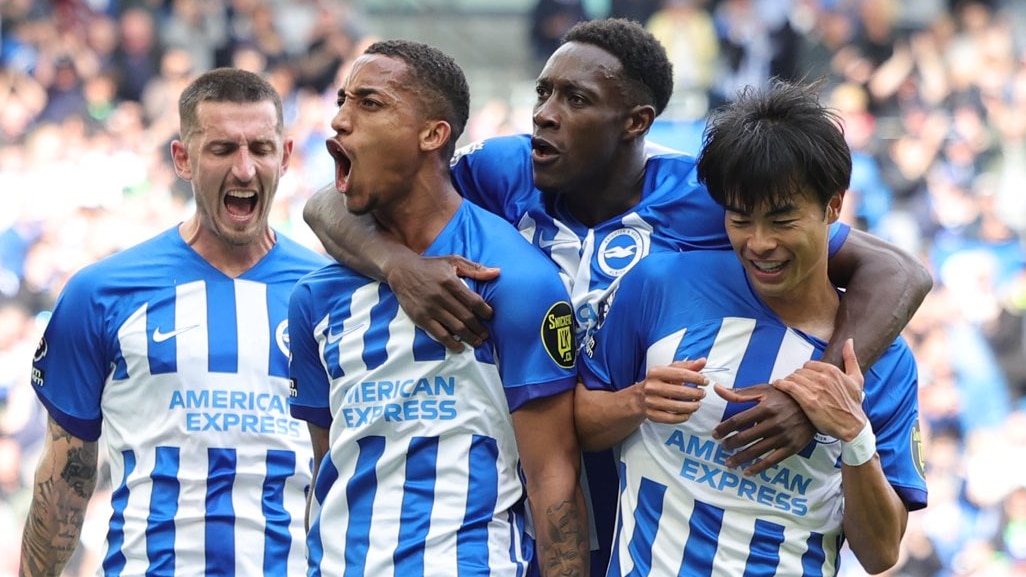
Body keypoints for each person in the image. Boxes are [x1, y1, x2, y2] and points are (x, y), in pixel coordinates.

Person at [302, 18, 932, 576]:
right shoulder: (503, 172)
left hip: (638, 496)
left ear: (636, 122)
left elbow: (896, 272)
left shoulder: (716, 202)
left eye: (575, 99)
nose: (544, 113)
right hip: (528, 499)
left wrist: (811, 391)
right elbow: (340, 198)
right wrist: (398, 266)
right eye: (543, 92)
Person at [575, 80, 928, 575]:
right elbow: (576, 423)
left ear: (832, 207)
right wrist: (635, 402)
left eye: (782, 221)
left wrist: (854, 434)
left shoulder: (883, 360)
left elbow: (880, 553)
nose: (759, 243)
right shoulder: (658, 286)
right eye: (740, 219)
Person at [287, 39, 588, 576]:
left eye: (369, 103)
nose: (339, 121)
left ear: (433, 134)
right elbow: (328, 462)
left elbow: (553, 479)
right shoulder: (315, 297)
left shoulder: (514, 279)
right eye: (341, 101)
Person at [20, 67, 326, 576]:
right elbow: (64, 483)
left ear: (287, 157)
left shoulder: (329, 296)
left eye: (261, 149)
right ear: (182, 159)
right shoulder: (100, 294)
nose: (246, 170)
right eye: (223, 149)